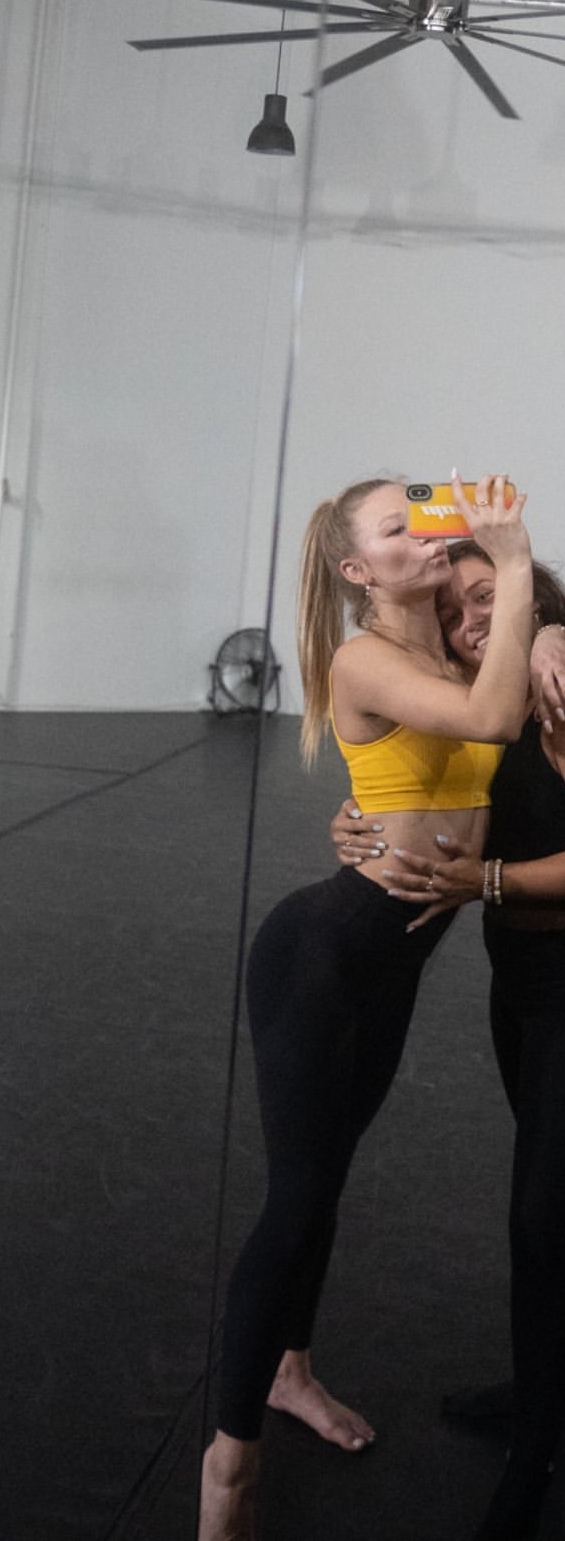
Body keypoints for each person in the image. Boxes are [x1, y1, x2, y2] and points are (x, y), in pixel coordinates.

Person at [198, 472, 533, 1541]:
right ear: (357, 568)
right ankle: (227, 1467)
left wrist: (521, 605)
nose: (427, 537)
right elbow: (491, 717)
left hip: (392, 966)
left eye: (423, 520)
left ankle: (289, 1368)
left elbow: (480, 729)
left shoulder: (455, 647)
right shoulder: (362, 658)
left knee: (327, 1177)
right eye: (400, 527)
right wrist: (514, 557)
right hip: (319, 961)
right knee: (295, 1199)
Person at [331, 542, 565, 1541]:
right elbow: (422, 796)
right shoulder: (484, 703)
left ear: (529, 599)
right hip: (524, 990)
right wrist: (358, 821)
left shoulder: (555, 683)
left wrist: (489, 883)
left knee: (541, 1219)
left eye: (487, 596)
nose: (468, 617)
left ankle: (537, 1448)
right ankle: (541, 1386)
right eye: (453, 606)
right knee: (547, 1211)